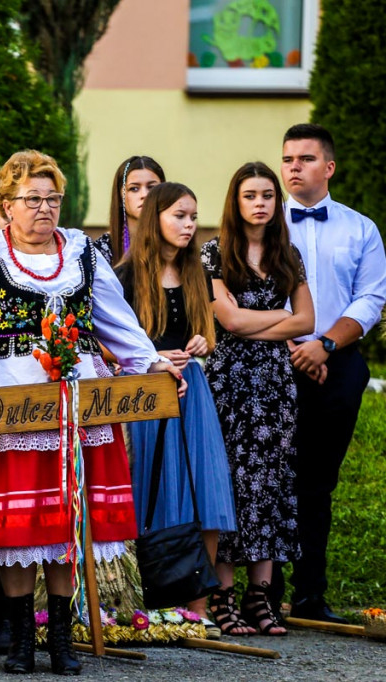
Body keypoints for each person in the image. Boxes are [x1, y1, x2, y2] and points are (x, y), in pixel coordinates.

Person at [0, 150, 183, 675]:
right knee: (20, 527)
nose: (45, 209)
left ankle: (61, 638)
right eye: (33, 199)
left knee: (68, 523)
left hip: (79, 406)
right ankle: (21, 640)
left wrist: (150, 362)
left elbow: (117, 323)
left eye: (52, 199)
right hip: (14, 407)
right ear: (6, 205)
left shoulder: (81, 254)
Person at [113, 182, 236, 629]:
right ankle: (153, 599)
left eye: (192, 216)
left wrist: (203, 341)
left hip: (192, 390)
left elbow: (209, 332)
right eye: (179, 215)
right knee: (152, 489)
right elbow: (104, 344)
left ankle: (197, 605)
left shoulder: (195, 272)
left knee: (204, 492)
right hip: (145, 392)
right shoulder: (125, 275)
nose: (189, 225)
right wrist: (153, 356)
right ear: (155, 219)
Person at [279, 123, 386, 623]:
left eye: (304, 158)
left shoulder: (361, 229)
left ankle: (310, 596)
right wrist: (295, 347)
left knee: (318, 481)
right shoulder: (263, 223)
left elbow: (370, 299)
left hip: (337, 364)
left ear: (329, 167)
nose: (293, 168)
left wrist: (323, 345)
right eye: (287, 159)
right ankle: (263, 595)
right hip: (274, 361)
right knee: (268, 476)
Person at [202, 162, 314, 636]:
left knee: (269, 483)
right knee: (230, 482)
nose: (261, 203)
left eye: (268, 195)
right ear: (236, 200)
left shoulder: (287, 254)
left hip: (274, 385)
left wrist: (255, 322)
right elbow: (228, 322)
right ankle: (222, 596)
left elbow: (307, 320)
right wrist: (275, 320)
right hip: (229, 383)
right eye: (251, 195)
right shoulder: (213, 253)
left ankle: (260, 597)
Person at [95, 156, 165, 265]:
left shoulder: (174, 241)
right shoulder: (103, 249)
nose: (144, 195)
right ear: (120, 197)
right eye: (134, 189)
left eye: (152, 187)